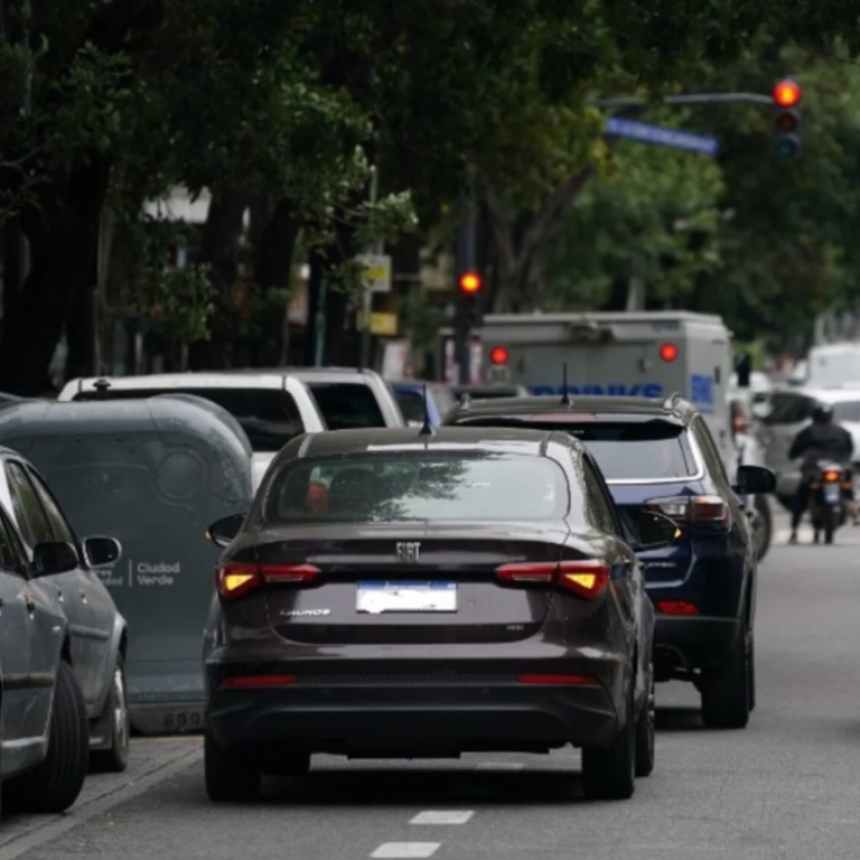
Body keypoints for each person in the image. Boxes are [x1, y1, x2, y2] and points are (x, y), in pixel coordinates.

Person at [788, 402, 854, 543]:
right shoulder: (842, 431)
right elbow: (849, 450)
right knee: (848, 488)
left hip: (816, 469)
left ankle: (794, 529)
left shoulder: (807, 432)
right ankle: (854, 510)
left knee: (800, 496)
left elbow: (794, 451)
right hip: (837, 467)